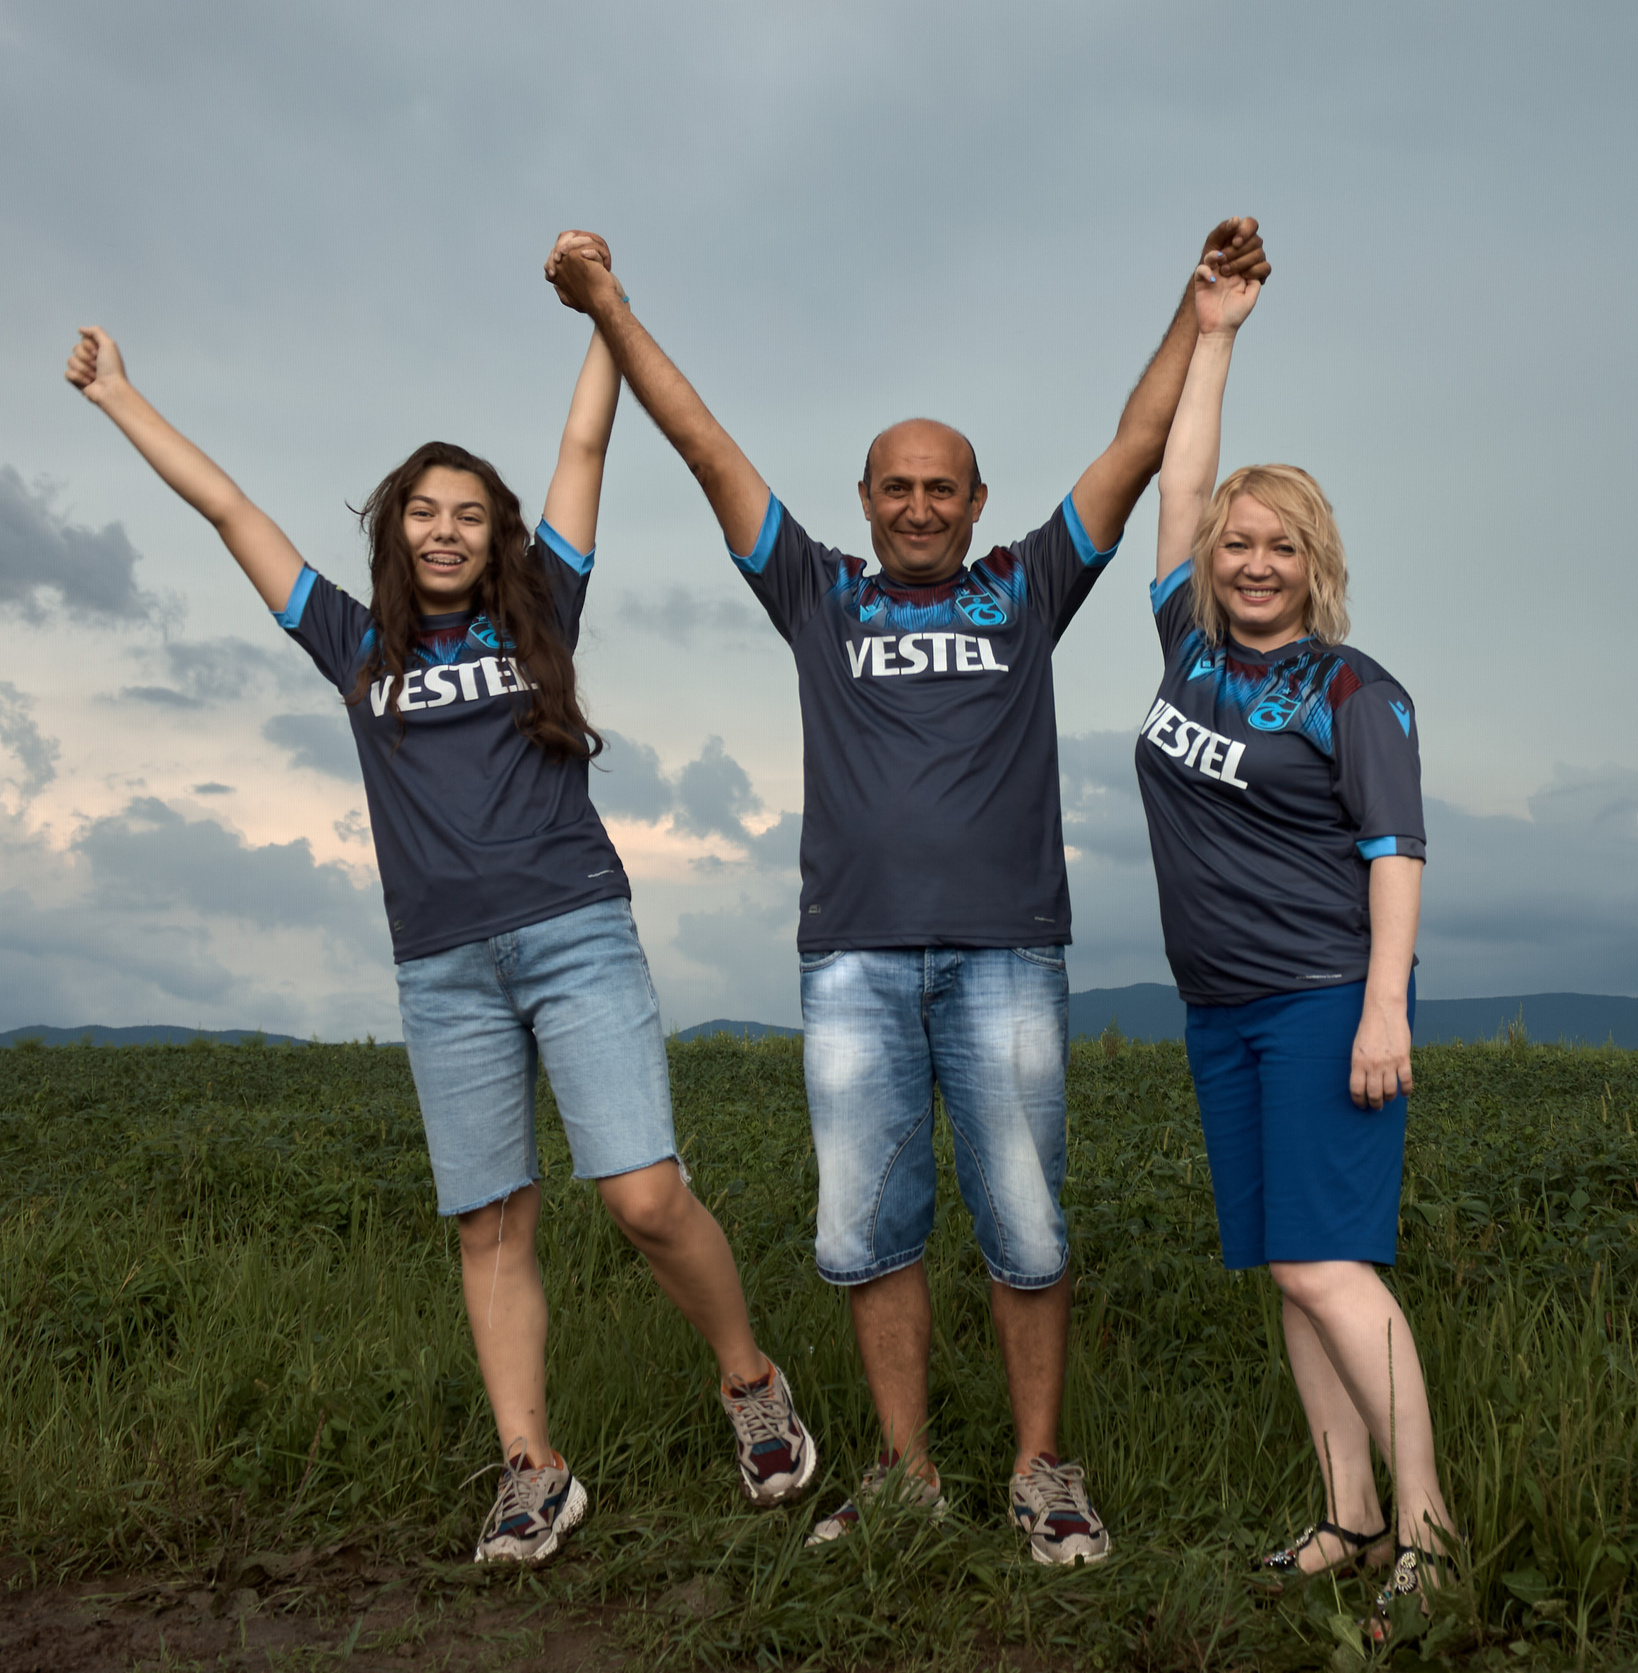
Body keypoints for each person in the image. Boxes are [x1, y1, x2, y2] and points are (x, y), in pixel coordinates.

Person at [61, 249, 817, 1564]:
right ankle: (534, 1469)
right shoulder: (356, 650)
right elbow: (231, 511)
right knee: (490, 1222)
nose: (448, 529)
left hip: (576, 935)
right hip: (444, 969)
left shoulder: (544, 616)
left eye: (470, 511)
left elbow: (589, 437)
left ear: (499, 531)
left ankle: (750, 1380)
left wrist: (603, 316)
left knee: (641, 1198)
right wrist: (121, 396)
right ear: (396, 531)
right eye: (425, 511)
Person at [543, 219, 1270, 1565]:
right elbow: (705, 446)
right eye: (899, 488)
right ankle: (904, 1474)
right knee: (873, 1233)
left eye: (945, 488)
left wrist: (1199, 312)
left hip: (1006, 960)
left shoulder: (1028, 588)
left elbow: (1131, 446)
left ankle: (1046, 1473)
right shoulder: (818, 596)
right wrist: (611, 308)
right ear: (866, 500)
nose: (921, 506)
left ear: (979, 503)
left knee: (1028, 1229)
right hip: (856, 967)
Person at [1132, 258, 1454, 1624]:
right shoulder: (1189, 654)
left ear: (1318, 565)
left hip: (1327, 1002)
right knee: (1288, 1271)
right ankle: (1348, 1516)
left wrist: (1385, 1010)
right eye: (1237, 543)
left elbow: (1397, 855)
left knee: (1333, 1265)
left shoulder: (1352, 690)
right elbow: (1179, 476)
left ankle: (1431, 1539)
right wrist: (1212, 337)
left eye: (1284, 547)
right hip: (1224, 1009)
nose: (1254, 563)